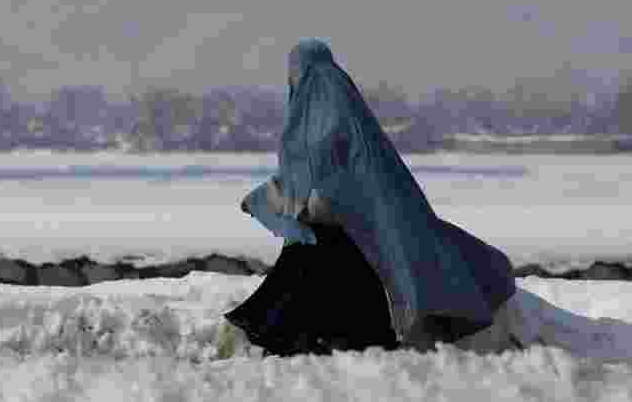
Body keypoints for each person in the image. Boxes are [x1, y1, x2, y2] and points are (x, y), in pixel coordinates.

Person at [225, 38, 525, 356]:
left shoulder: (316, 118)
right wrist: (267, 200)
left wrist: (266, 201)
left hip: (344, 245)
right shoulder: (348, 113)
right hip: (358, 241)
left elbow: (318, 189)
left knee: (306, 264)